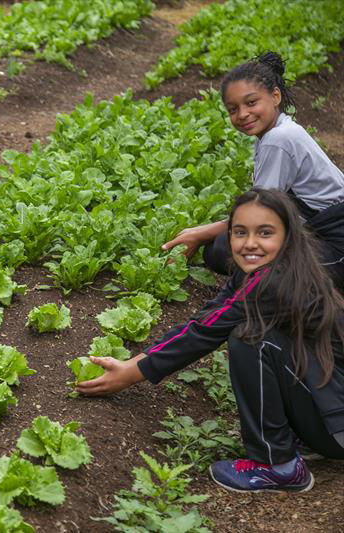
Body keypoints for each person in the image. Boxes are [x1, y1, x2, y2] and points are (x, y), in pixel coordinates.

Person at [80, 189, 344, 493]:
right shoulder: (269, 270)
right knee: (258, 335)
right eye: (240, 232)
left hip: (335, 426)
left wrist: (132, 372)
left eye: (265, 232)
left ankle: (278, 465)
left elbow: (203, 334)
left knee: (250, 339)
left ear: (288, 237)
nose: (250, 243)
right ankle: (293, 435)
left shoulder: (273, 283)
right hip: (330, 408)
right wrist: (140, 361)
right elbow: (209, 316)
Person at [163, 52, 344, 287]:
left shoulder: (278, 139)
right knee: (225, 246)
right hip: (318, 232)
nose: (243, 114)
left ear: (275, 96)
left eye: (251, 103)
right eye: (233, 109)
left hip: (337, 242)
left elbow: (256, 218)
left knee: (227, 251)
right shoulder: (277, 131)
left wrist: (198, 234)